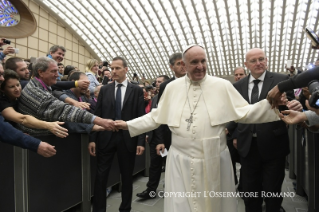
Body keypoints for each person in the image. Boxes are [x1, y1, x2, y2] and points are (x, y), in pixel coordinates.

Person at [114, 44, 282, 212]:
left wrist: (275, 107)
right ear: (183, 65)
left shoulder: (221, 85)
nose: (200, 66)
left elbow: (245, 112)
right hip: (180, 158)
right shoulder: (172, 88)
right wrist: (128, 125)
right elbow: (156, 116)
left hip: (214, 157)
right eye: (194, 62)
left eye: (203, 61)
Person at [230, 48, 295, 212]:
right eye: (253, 60)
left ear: (266, 60)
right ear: (246, 65)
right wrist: (229, 132)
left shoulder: (281, 80)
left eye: (261, 59)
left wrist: (289, 106)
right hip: (248, 146)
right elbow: (234, 114)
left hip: (274, 145)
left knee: (273, 191)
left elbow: (291, 105)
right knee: (250, 192)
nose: (258, 63)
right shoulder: (237, 86)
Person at [88, 56, 145, 212]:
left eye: (117, 68)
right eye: (112, 68)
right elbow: (97, 115)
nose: (113, 71)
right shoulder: (105, 89)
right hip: (105, 138)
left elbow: (140, 117)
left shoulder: (137, 90)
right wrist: (92, 139)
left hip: (127, 139)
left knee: (127, 177)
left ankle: (125, 208)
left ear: (126, 70)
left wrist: (140, 142)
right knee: (101, 177)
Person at [17, 57, 116, 137]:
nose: (57, 75)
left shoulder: (41, 86)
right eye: (53, 71)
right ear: (41, 72)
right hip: (37, 144)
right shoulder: (36, 93)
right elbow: (65, 110)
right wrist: (99, 121)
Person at [0, 69, 68, 137]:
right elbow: (22, 119)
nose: (17, 89)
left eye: (18, 85)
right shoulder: (2, 102)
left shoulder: (23, 94)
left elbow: (52, 86)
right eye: (11, 87)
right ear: (3, 89)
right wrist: (48, 125)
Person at [136, 75, 169, 199]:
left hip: (166, 140)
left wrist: (161, 140)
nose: (157, 83)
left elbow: (163, 121)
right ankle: (151, 190)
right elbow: (152, 118)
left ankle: (170, 190)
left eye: (160, 82)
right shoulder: (155, 98)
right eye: (156, 82)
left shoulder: (169, 98)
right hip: (154, 139)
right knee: (154, 165)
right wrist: (148, 134)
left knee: (168, 164)